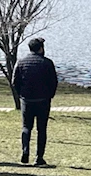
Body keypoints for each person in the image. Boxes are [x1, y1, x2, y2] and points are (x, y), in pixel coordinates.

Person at [13, 37, 58, 167]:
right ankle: (39, 157)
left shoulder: (21, 62)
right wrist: (50, 95)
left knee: (26, 127)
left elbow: (15, 81)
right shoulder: (47, 63)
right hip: (43, 100)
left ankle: (25, 151)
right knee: (41, 129)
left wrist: (21, 95)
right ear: (40, 48)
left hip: (27, 100)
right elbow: (53, 82)